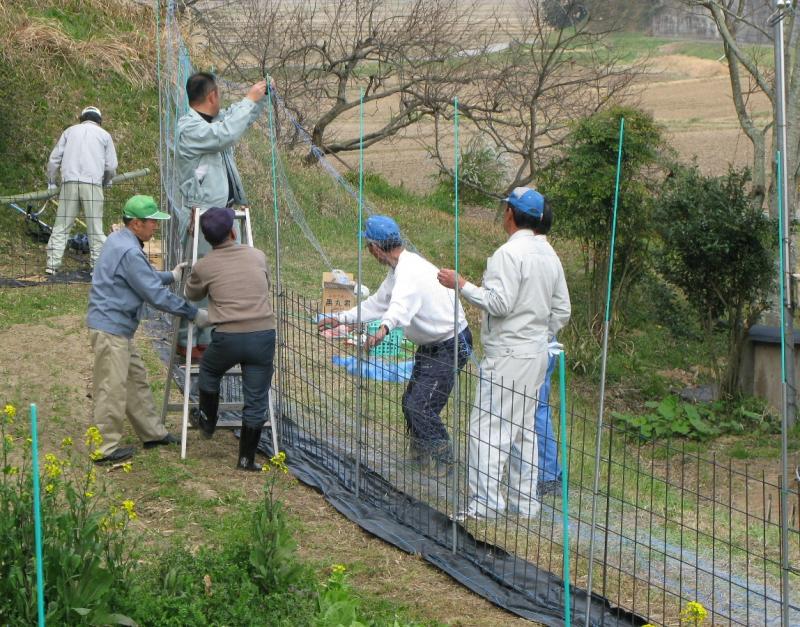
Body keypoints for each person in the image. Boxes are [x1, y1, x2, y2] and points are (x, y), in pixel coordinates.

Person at [438, 187, 570, 519]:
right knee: (523, 429)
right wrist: (539, 334)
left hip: (509, 355)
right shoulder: (548, 254)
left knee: (488, 428)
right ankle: (525, 503)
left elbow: (499, 302)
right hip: (537, 353)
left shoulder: (507, 255)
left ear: (510, 214)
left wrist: (462, 284)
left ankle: (485, 503)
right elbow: (562, 310)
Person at [319, 215, 472, 472]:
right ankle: (421, 454)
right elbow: (378, 303)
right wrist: (341, 318)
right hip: (432, 343)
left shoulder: (409, 272)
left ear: (375, 248)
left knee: (421, 406)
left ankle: (444, 458)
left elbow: (400, 305)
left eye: (368, 247)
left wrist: (384, 329)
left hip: (451, 343)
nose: (368, 253)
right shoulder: (398, 270)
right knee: (410, 401)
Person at [87, 195, 210, 464]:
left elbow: (142, 277)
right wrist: (193, 313)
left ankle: (152, 433)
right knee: (112, 387)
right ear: (135, 224)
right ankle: (104, 449)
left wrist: (171, 276)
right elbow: (155, 295)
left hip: (116, 327)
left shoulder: (120, 241)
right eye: (152, 222)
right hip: (111, 329)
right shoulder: (130, 251)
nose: (156, 226)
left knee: (136, 380)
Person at [175, 72, 269, 358]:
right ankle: (189, 342)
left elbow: (238, 120)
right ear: (212, 95)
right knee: (200, 276)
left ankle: (212, 337)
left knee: (224, 276)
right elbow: (225, 133)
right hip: (202, 215)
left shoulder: (213, 121)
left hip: (222, 211)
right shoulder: (190, 128)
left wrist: (260, 100)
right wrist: (250, 97)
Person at [185, 207, 277, 471]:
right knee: (256, 398)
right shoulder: (257, 256)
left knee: (209, 370)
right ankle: (246, 459)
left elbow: (192, 295)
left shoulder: (204, 265)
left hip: (228, 336)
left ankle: (207, 420)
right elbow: (265, 284)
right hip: (262, 335)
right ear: (234, 231)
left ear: (206, 238)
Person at [46, 105, 118, 274]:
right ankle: (96, 267)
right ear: (99, 121)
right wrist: (106, 181)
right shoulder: (104, 135)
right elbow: (111, 166)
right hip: (93, 184)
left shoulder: (69, 132)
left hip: (69, 182)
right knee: (95, 227)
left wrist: (51, 180)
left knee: (62, 225)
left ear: (82, 118)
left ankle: (52, 265)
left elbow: (54, 159)